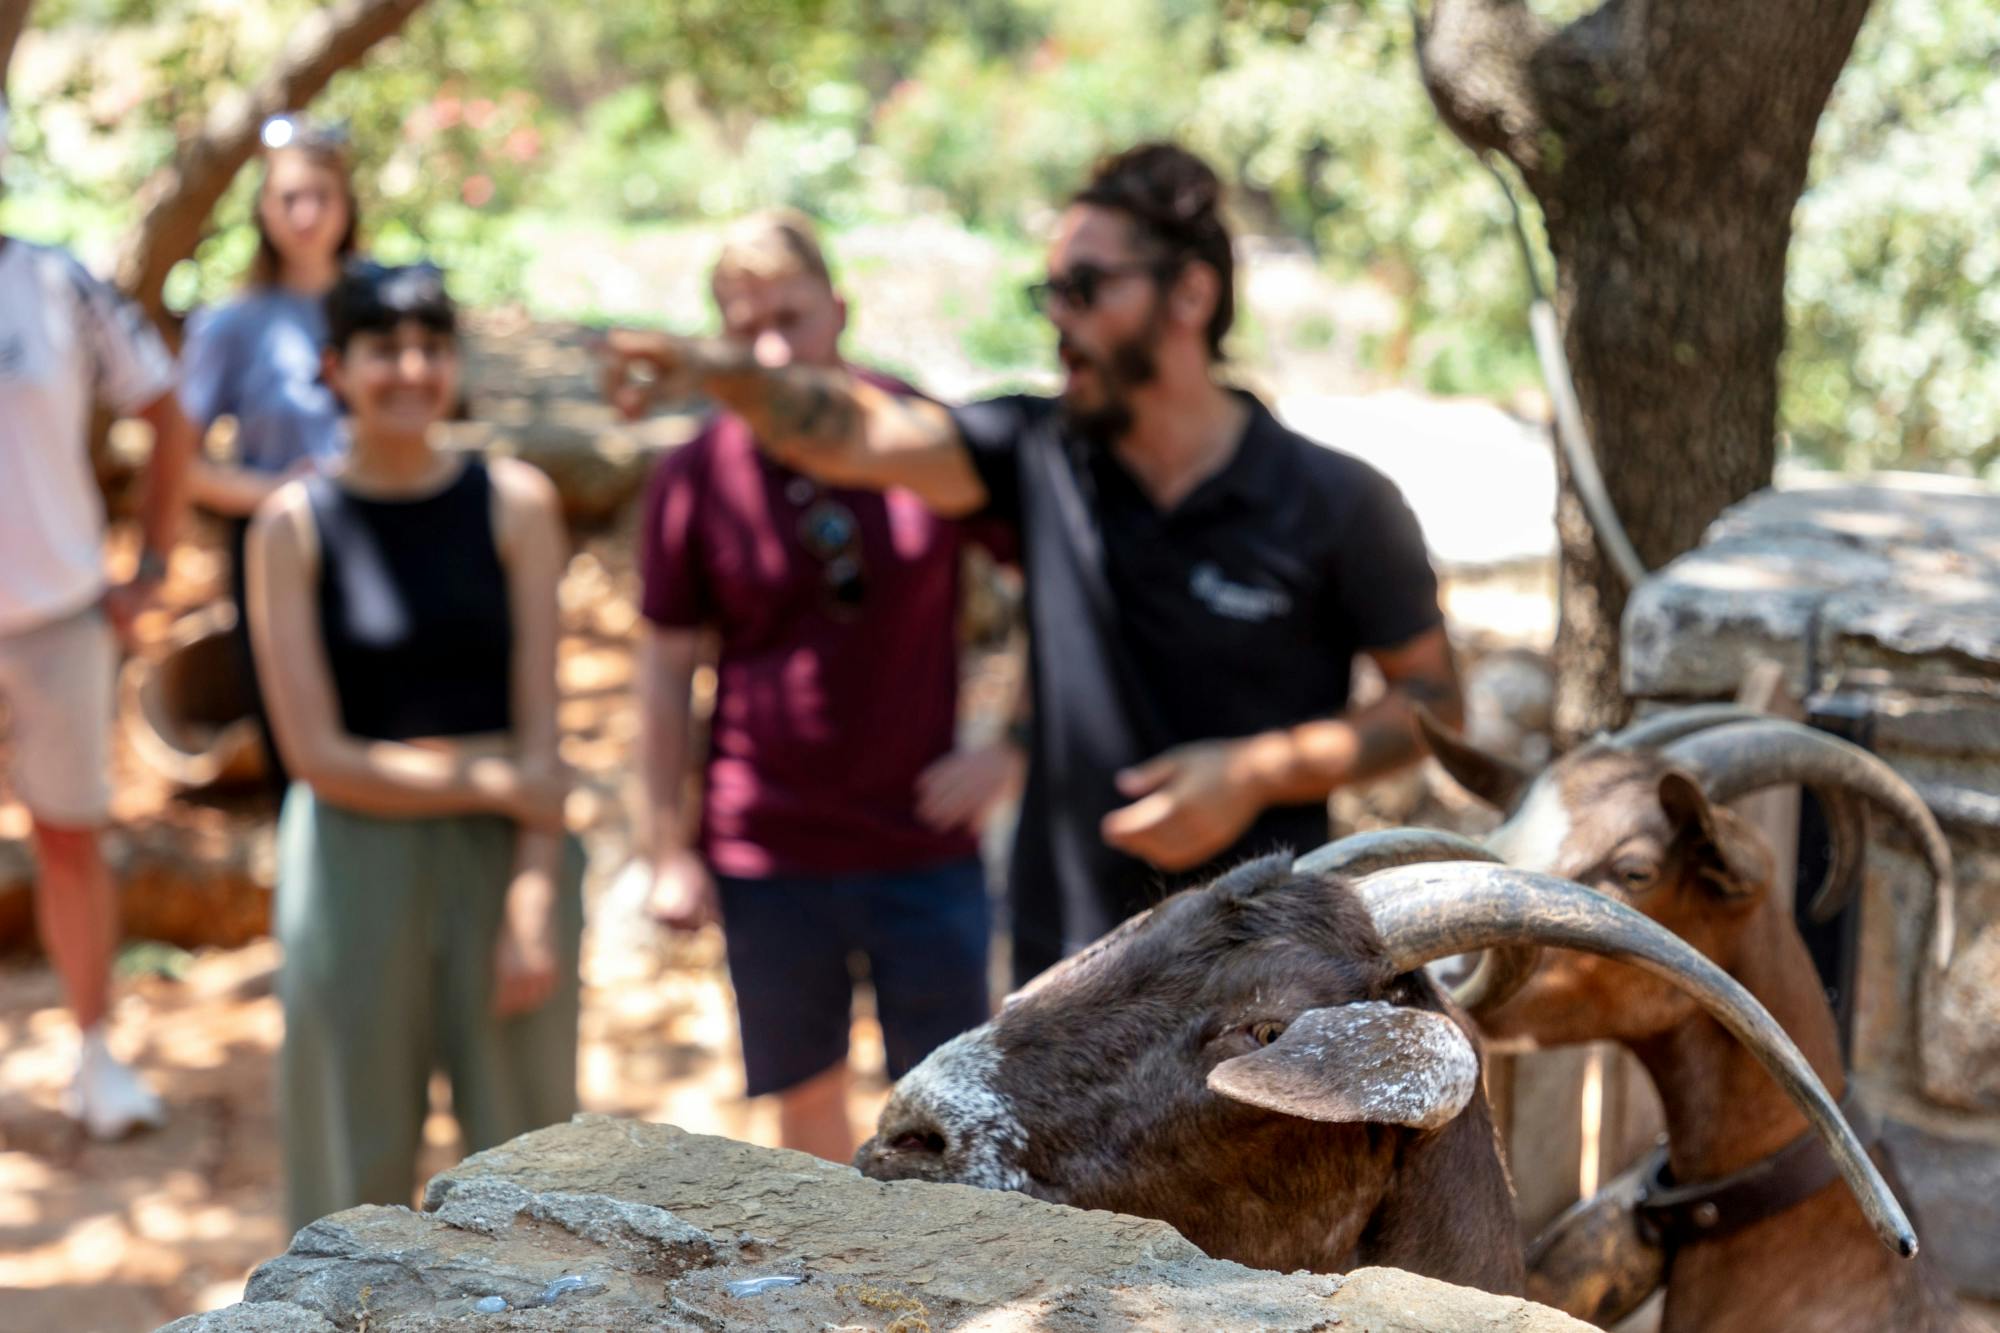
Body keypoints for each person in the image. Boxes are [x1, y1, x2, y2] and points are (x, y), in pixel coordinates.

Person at [603, 144, 1463, 985]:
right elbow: (854, 433)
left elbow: (1433, 702)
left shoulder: (1338, 503)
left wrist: (1258, 772)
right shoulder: (1034, 453)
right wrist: (715, 369)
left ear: (1191, 294)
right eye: (1048, 290)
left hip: (1265, 977)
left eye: (1085, 287)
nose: (1059, 317)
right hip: (1068, 974)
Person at [636, 210, 1019, 1161]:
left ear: (839, 310)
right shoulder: (697, 472)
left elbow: (1056, 577)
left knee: (950, 1107)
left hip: (924, 839)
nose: (772, 349)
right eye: (745, 328)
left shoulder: (918, 436)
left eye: (792, 318)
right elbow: (664, 669)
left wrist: (1011, 746)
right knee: (804, 1098)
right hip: (768, 847)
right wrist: (665, 846)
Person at [246, 260, 581, 1230]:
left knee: (529, 1162)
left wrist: (532, 892)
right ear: (335, 368)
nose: (410, 370)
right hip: (351, 857)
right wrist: (496, 781)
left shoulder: (516, 502)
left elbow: (544, 727)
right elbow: (318, 755)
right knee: (348, 1162)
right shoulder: (291, 526)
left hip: (506, 856)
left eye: (432, 347)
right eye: (383, 349)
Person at [0, 92, 200, 1138]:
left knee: (69, 836)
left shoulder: (54, 282)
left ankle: (94, 1054)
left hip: (59, 614)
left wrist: (152, 564)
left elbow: (167, 410)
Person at [180, 115, 357, 786]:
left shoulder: (384, 306)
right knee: (294, 742)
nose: (305, 214)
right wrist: (282, 493)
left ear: (347, 203)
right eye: (289, 197)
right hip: (274, 548)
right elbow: (182, 464)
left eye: (321, 196)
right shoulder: (230, 323)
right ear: (263, 209)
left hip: (379, 540)